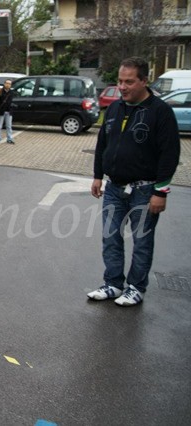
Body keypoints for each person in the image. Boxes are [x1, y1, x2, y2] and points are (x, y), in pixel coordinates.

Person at [88, 56, 180, 306]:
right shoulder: (115, 109)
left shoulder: (160, 112)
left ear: (144, 81)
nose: (122, 87)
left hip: (145, 190)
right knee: (111, 238)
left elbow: (170, 154)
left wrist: (160, 191)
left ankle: (136, 288)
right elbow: (102, 143)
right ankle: (113, 284)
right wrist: (98, 175)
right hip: (114, 188)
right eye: (120, 81)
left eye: (129, 82)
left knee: (142, 242)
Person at [0, 79, 15, 144]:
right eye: (7, 83)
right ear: (4, 84)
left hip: (9, 112)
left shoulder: (12, 92)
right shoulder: (0, 91)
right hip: (1, 112)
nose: (8, 85)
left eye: (9, 84)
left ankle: (9, 139)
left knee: (9, 126)